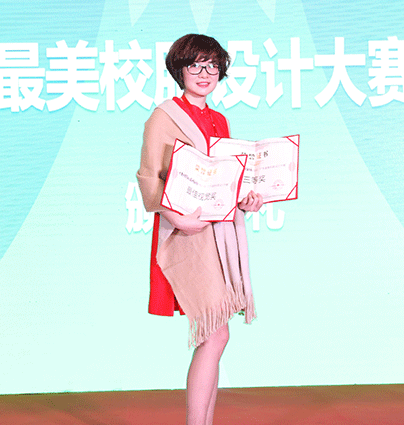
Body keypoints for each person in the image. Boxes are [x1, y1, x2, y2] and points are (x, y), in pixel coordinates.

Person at [136, 34, 263, 425]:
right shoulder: (164, 117)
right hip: (187, 233)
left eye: (212, 65)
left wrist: (245, 199)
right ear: (180, 70)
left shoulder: (219, 120)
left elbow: (224, 179)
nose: (204, 73)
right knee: (215, 333)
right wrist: (178, 218)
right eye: (195, 65)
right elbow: (150, 176)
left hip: (218, 232)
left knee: (216, 334)